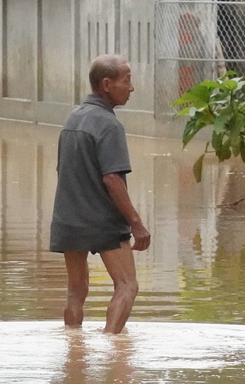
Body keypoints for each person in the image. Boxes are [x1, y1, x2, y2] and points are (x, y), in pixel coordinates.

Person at [50, 54, 151, 334]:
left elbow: (64, 171)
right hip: (103, 222)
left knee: (76, 291)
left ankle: (74, 349)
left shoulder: (73, 118)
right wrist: (135, 222)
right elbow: (112, 179)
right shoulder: (109, 125)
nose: (131, 88)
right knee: (127, 285)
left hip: (68, 220)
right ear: (107, 84)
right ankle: (113, 347)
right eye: (127, 80)